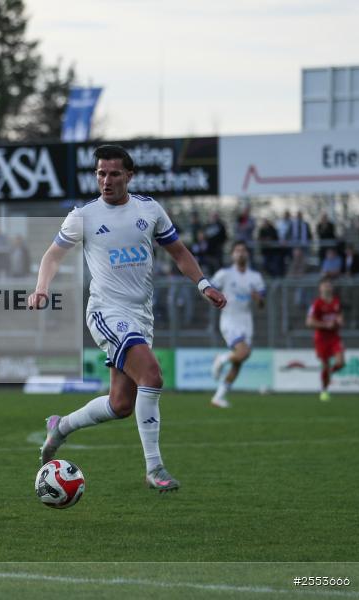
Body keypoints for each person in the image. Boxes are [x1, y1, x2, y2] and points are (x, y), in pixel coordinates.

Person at [33, 145, 226, 492]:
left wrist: (204, 284)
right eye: (100, 174)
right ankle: (155, 469)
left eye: (114, 174)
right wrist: (42, 288)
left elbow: (179, 252)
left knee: (121, 404)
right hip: (106, 312)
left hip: (141, 316)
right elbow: (52, 256)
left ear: (129, 176)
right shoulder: (83, 216)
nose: (106, 180)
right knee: (152, 374)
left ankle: (59, 426)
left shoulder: (149, 209)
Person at [209, 242, 266, 408]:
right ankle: (221, 358)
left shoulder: (255, 277)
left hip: (246, 321)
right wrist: (215, 299)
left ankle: (218, 397)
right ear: (232, 255)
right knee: (244, 352)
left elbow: (262, 303)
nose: (240, 253)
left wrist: (257, 298)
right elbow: (209, 290)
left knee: (239, 361)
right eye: (237, 250)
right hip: (229, 319)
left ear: (248, 254)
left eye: (243, 250)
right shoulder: (224, 274)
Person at [306, 277, 345, 402]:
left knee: (340, 363)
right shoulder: (316, 304)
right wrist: (325, 325)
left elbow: (340, 317)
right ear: (320, 288)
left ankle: (329, 374)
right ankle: (324, 389)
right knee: (325, 365)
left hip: (334, 337)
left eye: (329, 285)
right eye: (325, 285)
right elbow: (309, 322)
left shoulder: (336, 302)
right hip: (321, 338)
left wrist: (339, 321)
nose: (328, 287)